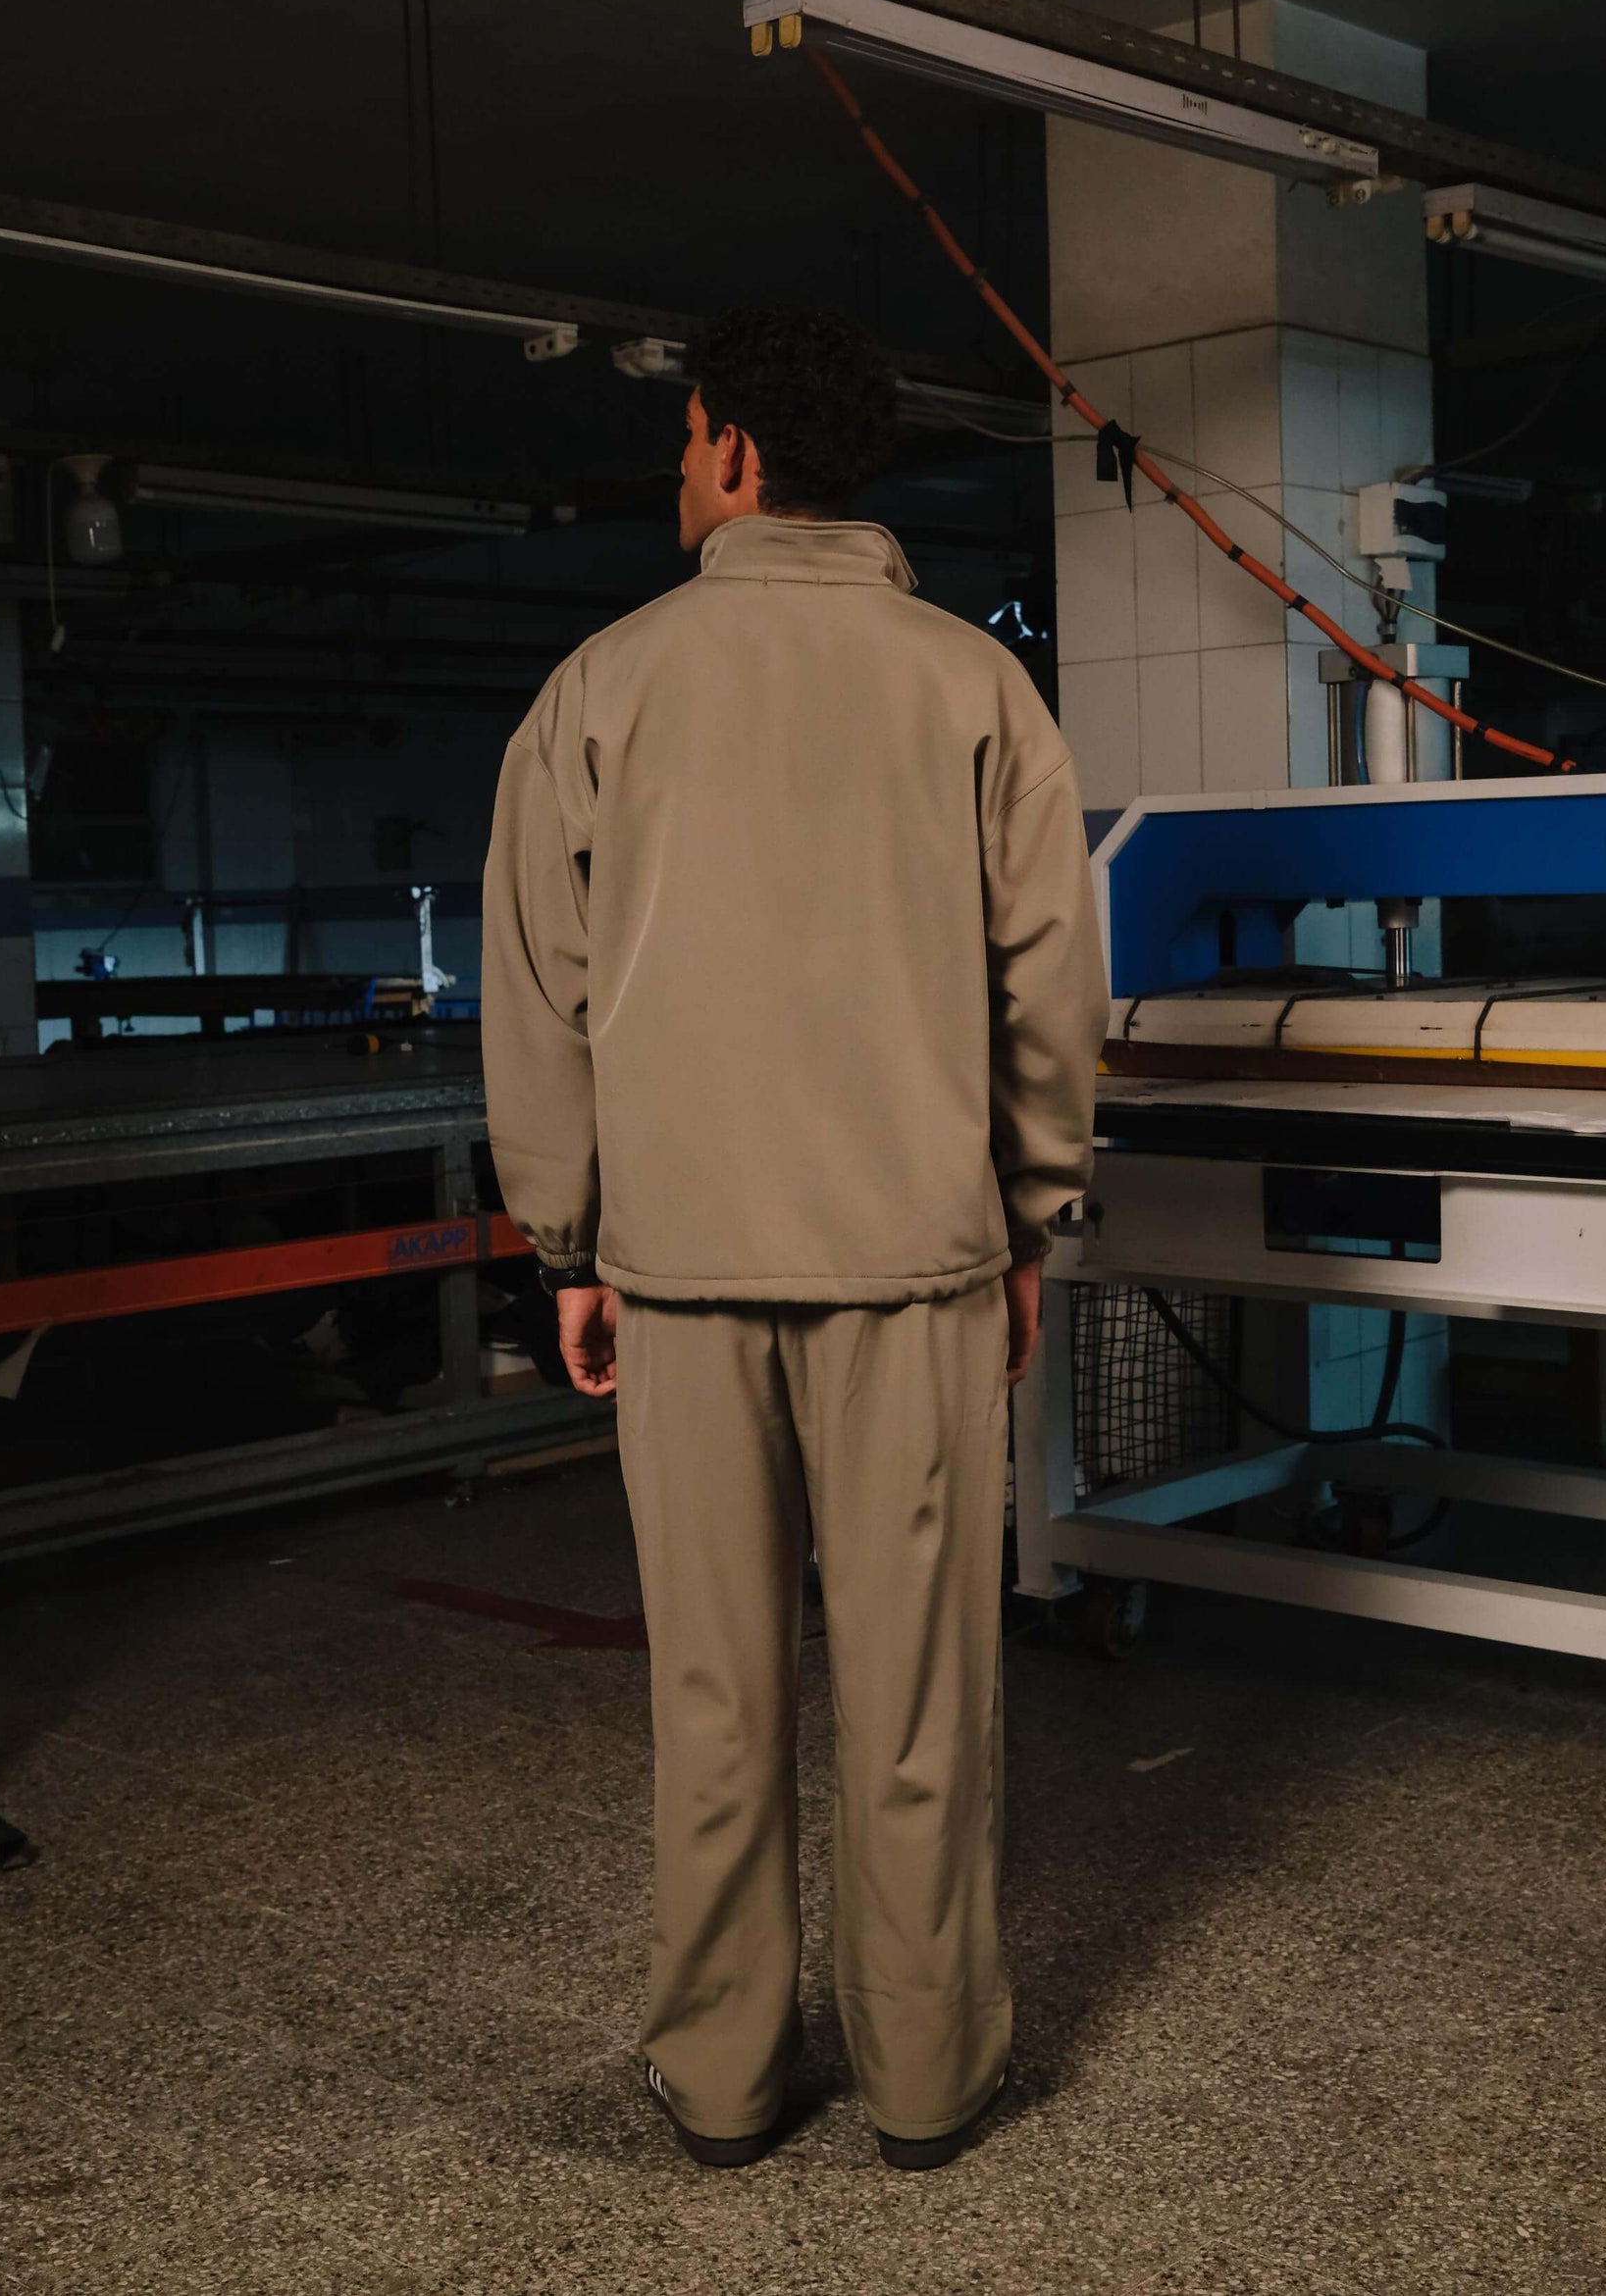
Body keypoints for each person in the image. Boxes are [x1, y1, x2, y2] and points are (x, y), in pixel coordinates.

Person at [482, 301, 1109, 2172]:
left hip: (676, 1266)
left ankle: (726, 2079)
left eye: (687, 439)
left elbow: (541, 989)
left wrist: (568, 1246)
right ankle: (926, 2083)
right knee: (921, 1699)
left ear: (738, 451)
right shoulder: (974, 690)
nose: (679, 468)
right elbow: (1048, 989)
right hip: (913, 1262)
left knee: (715, 1695)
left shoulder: (601, 684)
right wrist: (1026, 1215)